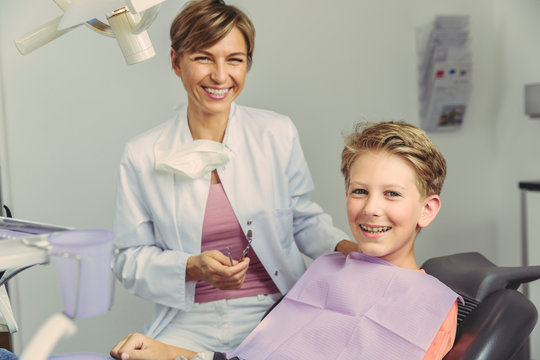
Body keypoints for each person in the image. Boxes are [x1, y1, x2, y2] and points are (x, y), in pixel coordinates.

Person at [112, 0, 355, 354]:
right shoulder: (142, 153)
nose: (220, 75)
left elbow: (303, 222)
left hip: (273, 312)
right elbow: (128, 259)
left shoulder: (276, 133)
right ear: (176, 62)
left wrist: (352, 250)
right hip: (187, 320)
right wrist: (192, 267)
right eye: (203, 57)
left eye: (235, 60)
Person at [109, 121, 461, 360]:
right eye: (359, 191)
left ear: (427, 210)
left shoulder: (431, 308)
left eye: (392, 194)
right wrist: (171, 353)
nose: (371, 208)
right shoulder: (327, 271)